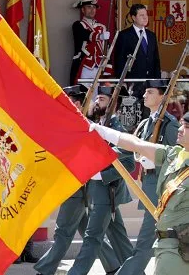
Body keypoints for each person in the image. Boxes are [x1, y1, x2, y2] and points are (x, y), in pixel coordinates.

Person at [34, 85, 120, 275]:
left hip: (76, 185)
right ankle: (113, 265)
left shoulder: (84, 126)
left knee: (63, 232)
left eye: (69, 101)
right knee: (86, 231)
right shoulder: (73, 124)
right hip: (78, 186)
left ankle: (44, 270)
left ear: (78, 103)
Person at [90, 112, 189, 274]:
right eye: (181, 124)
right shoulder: (172, 154)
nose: (179, 129)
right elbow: (136, 144)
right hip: (166, 245)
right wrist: (102, 131)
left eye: (186, 126)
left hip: (181, 247)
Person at [67, 86, 135, 275]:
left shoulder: (117, 128)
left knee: (92, 237)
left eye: (103, 99)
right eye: (98, 99)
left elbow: (129, 163)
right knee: (118, 238)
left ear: (114, 103)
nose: (97, 102)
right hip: (95, 191)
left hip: (108, 192)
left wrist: (102, 175)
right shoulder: (96, 124)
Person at [115, 79, 180, 275]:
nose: (144, 95)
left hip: (162, 186)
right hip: (149, 184)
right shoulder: (145, 123)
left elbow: (175, 155)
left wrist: (156, 161)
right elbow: (131, 147)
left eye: (150, 92)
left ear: (163, 96)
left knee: (145, 237)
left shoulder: (170, 123)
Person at [114, 3, 161, 83]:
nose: (145, 17)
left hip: (150, 82)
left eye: (146, 14)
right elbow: (119, 61)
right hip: (132, 82)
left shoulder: (151, 35)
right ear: (133, 17)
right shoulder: (124, 35)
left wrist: (157, 81)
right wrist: (122, 82)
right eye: (141, 15)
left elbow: (156, 60)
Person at [69, 0, 111, 85]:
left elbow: (106, 49)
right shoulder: (78, 25)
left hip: (99, 66)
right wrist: (100, 36)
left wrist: (108, 68)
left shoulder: (102, 27)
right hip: (85, 65)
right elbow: (84, 35)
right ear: (83, 10)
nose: (92, 10)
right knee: (83, 94)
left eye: (94, 8)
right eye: (89, 7)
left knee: (98, 95)